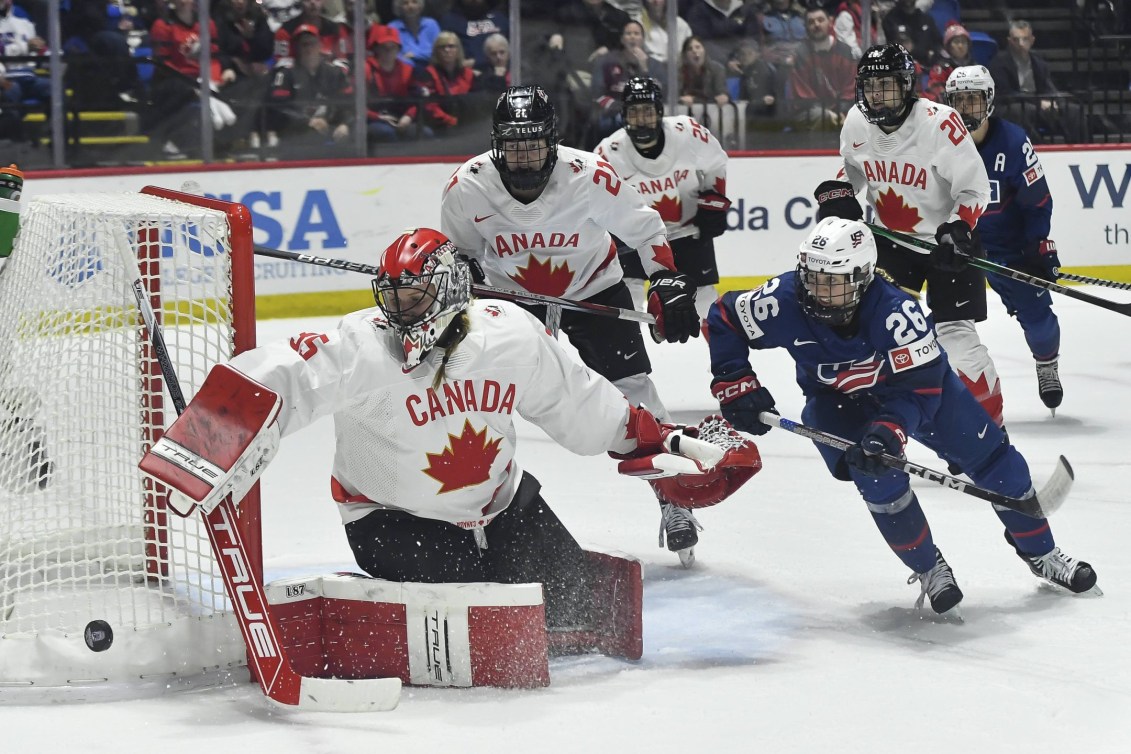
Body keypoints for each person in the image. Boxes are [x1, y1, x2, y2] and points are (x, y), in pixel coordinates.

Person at [139, 227, 759, 636]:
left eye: (412, 298)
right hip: (391, 520)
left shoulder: (509, 334)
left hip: (504, 506)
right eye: (391, 297)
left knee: (581, 619)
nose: (396, 312)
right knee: (489, 632)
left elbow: (584, 405)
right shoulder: (365, 345)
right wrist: (207, 440)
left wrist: (664, 446)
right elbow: (280, 372)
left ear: (448, 292)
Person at [706, 217, 1099, 614]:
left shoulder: (897, 312)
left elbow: (922, 386)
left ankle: (1042, 554)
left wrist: (890, 430)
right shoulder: (783, 298)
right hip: (837, 400)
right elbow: (723, 317)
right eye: (813, 277)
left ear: (862, 278)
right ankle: (930, 569)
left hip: (920, 393)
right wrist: (736, 381)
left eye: (834, 282)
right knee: (877, 477)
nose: (819, 292)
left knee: (1001, 467)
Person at [440, 85, 706, 566]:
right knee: (477, 398)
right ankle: (469, 510)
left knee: (633, 392)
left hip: (593, 289)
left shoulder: (589, 175)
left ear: (553, 141)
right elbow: (461, 254)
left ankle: (673, 497)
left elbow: (644, 227)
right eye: (513, 142)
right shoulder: (467, 186)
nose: (523, 155)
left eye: (533, 141)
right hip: (513, 302)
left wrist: (667, 280)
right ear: (497, 143)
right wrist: (464, 275)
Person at [814, 43, 1006, 431]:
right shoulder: (855, 122)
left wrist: (959, 229)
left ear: (907, 86)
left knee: (958, 342)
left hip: (949, 245)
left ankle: (990, 431)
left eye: (887, 84)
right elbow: (852, 169)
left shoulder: (940, 123)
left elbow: (974, 189)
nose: (878, 94)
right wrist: (839, 193)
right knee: (882, 339)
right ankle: (901, 428)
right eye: (871, 85)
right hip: (890, 245)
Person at [945, 65, 1064, 412]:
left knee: (1040, 319)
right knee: (946, 324)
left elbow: (1037, 200)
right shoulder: (938, 142)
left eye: (973, 98)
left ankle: (1046, 364)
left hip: (1009, 247)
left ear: (989, 100)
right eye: (959, 100)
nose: (966, 107)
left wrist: (1036, 246)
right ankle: (956, 394)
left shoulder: (1012, 141)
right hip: (958, 245)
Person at [596, 76, 730, 321]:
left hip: (689, 230)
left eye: (647, 111)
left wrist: (714, 203)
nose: (642, 120)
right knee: (629, 302)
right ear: (624, 115)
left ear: (659, 112)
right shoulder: (608, 151)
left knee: (705, 302)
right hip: (637, 237)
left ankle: (723, 358)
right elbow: (594, 198)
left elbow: (716, 162)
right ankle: (629, 355)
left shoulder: (687, 132)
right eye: (634, 113)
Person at [987, 20, 1085, 144]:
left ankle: (1078, 147)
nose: (1021, 43)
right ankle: (1035, 150)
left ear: (1032, 40)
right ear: (1009, 41)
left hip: (1037, 103)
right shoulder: (999, 63)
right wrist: (1038, 102)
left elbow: (1048, 86)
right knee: (1023, 110)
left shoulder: (1038, 62)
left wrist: (1057, 102)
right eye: (1016, 39)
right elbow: (1006, 94)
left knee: (1073, 110)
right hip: (1011, 106)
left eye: (1025, 39)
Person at [264, 24, 353, 151]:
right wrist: (307, 121)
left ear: (320, 45)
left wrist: (345, 124)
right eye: (304, 44)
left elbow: (349, 104)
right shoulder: (286, 74)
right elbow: (279, 108)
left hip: (332, 129)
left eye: (312, 43)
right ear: (297, 48)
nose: (308, 48)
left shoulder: (335, 73)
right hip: (299, 133)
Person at [787, 6, 857, 131]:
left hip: (842, 109)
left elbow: (850, 89)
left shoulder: (845, 51)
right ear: (806, 27)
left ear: (830, 22)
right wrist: (830, 114)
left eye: (820, 20)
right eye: (811, 22)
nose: (816, 25)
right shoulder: (801, 54)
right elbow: (803, 96)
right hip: (811, 111)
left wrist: (842, 112)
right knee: (821, 116)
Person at [924, 23, 975, 103]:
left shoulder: (975, 66)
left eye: (964, 42)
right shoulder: (941, 67)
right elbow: (934, 89)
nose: (960, 46)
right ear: (948, 46)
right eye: (956, 42)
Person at [388, 0, 440, 69]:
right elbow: (392, 55)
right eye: (405, 3)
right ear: (399, 8)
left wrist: (414, 56)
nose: (410, 6)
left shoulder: (431, 24)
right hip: (405, 71)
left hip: (433, 70)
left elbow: (439, 52)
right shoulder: (392, 27)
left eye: (414, 2)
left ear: (420, 6)